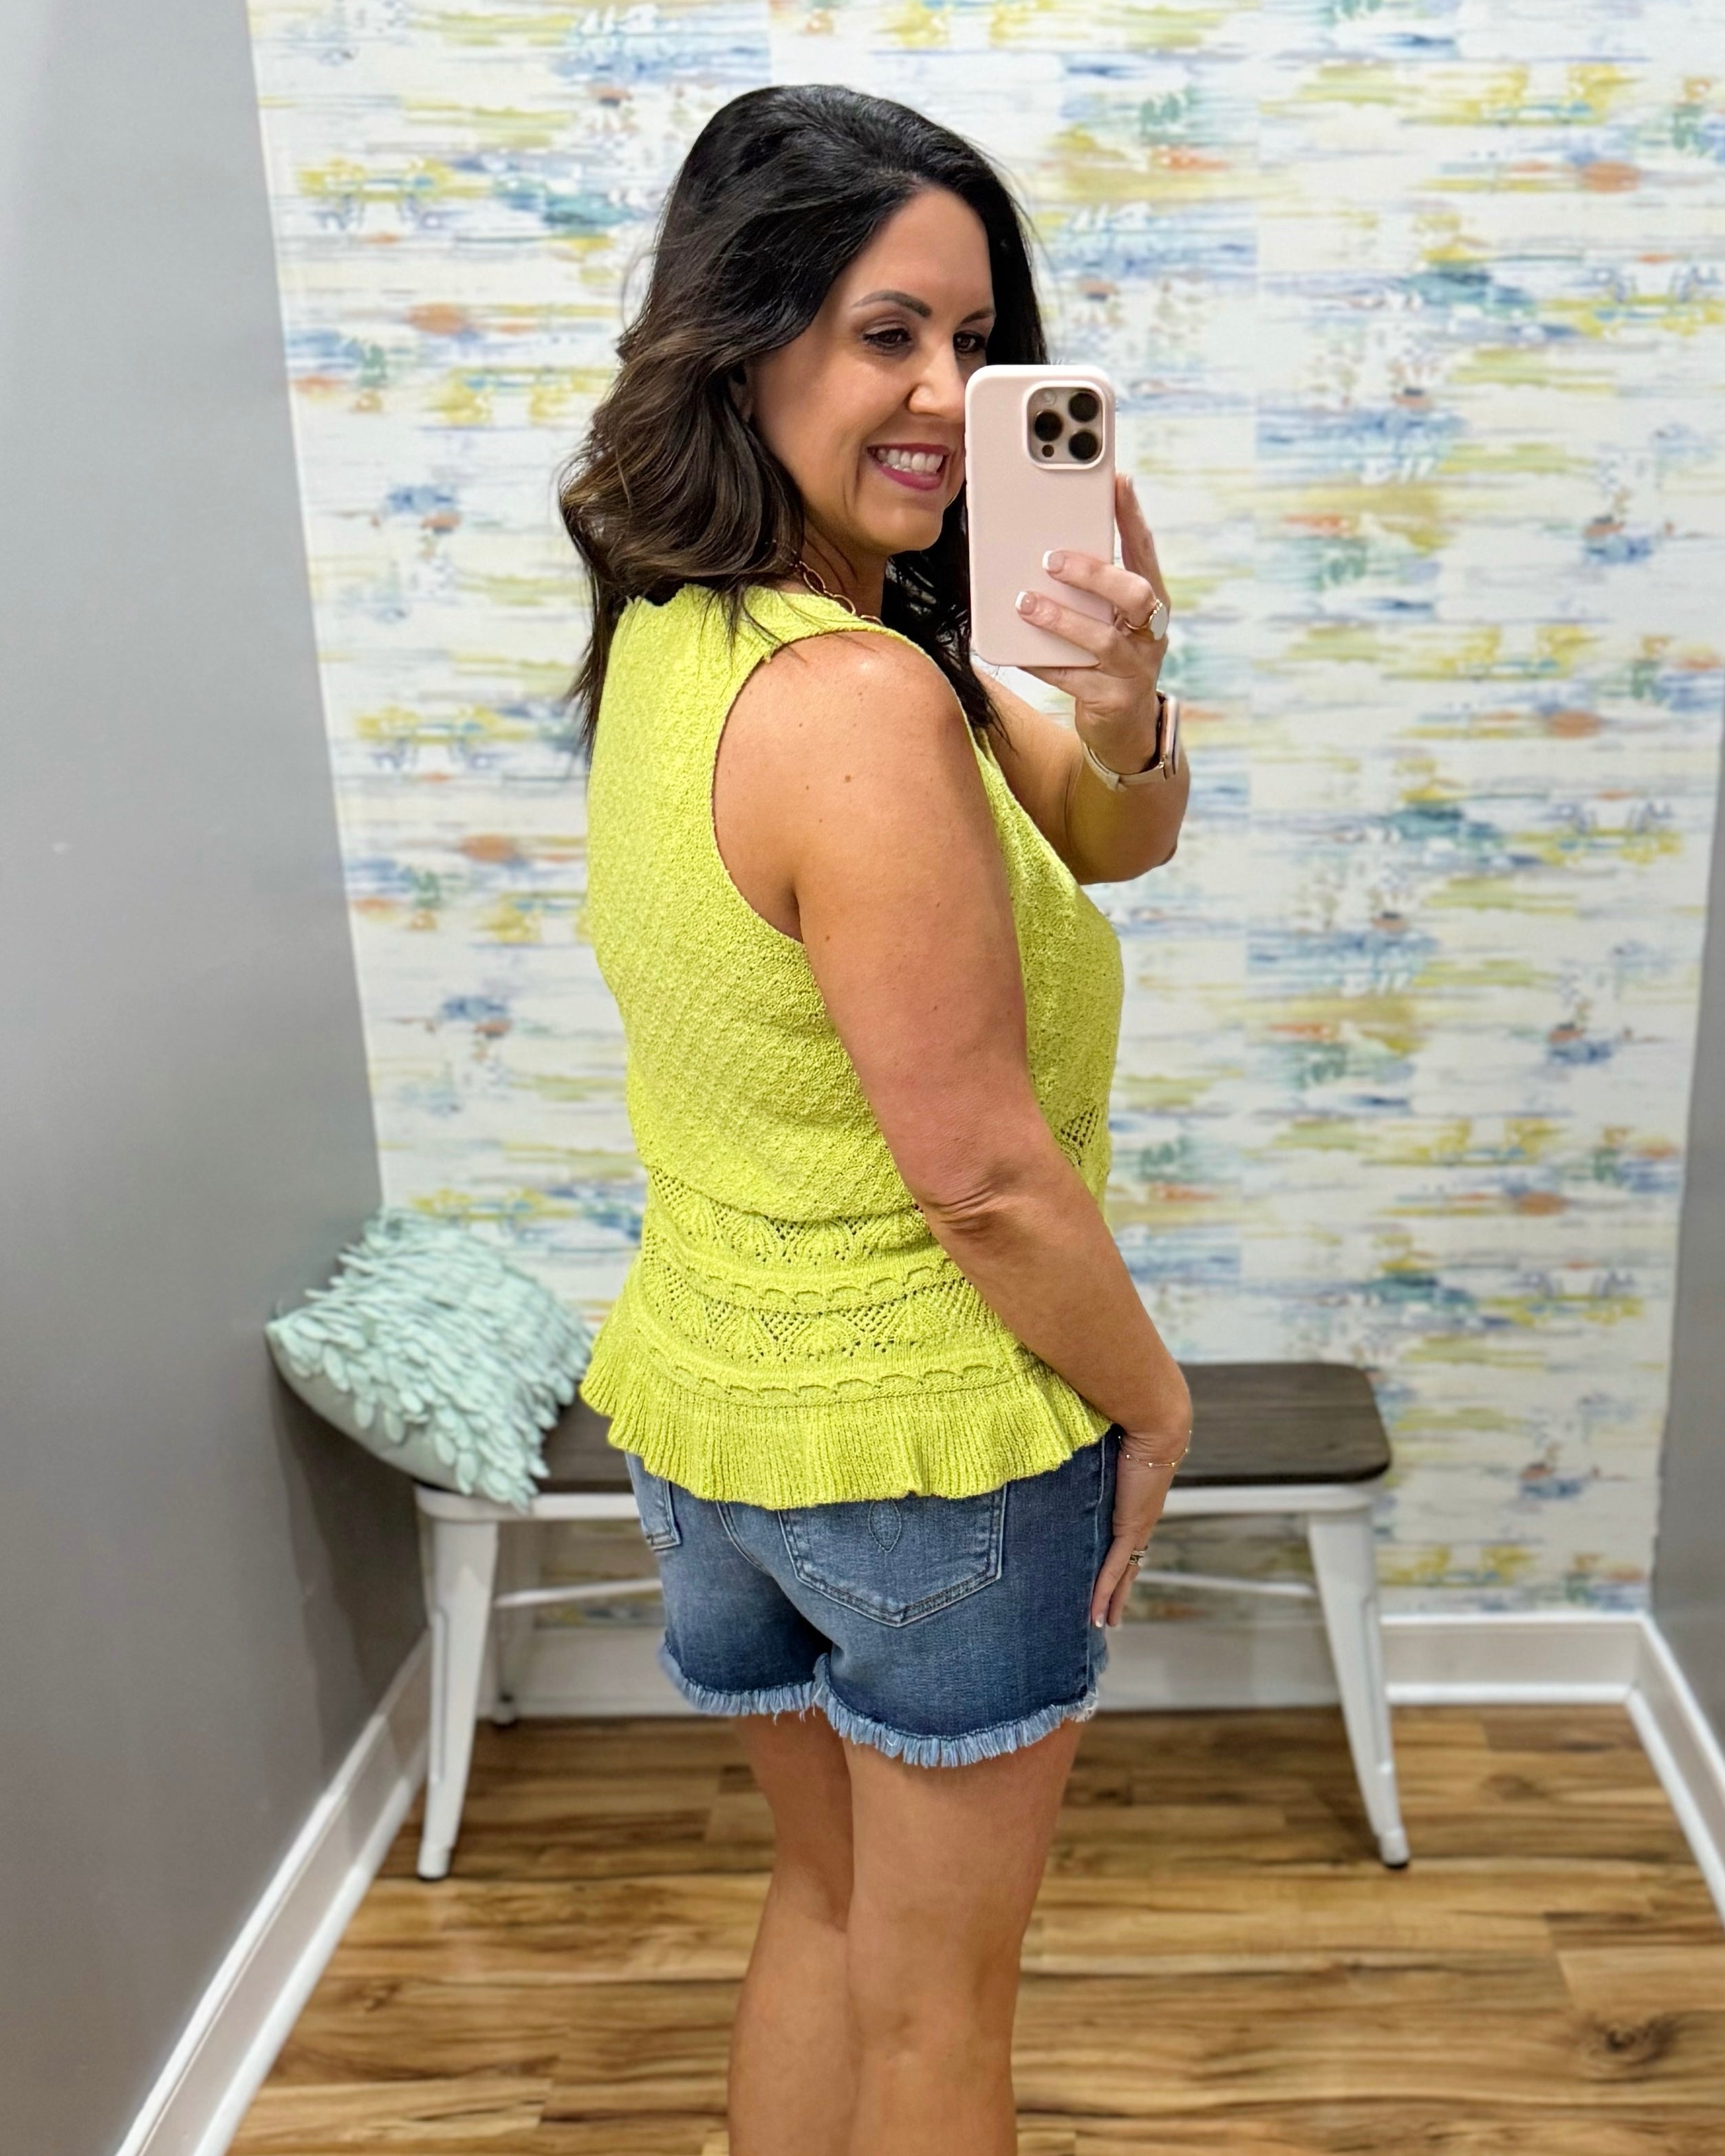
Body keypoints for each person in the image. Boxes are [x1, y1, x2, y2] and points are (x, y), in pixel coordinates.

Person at [561, 82, 1193, 2156]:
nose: (946, 390)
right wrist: (1152, 1403)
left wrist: (1122, 708)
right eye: (886, 331)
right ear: (741, 337)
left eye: (978, 343)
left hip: (717, 1425)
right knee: (941, 2024)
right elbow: (985, 1179)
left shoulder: (704, 632)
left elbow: (1105, 844)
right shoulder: (854, 708)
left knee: (829, 1911)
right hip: (922, 1442)